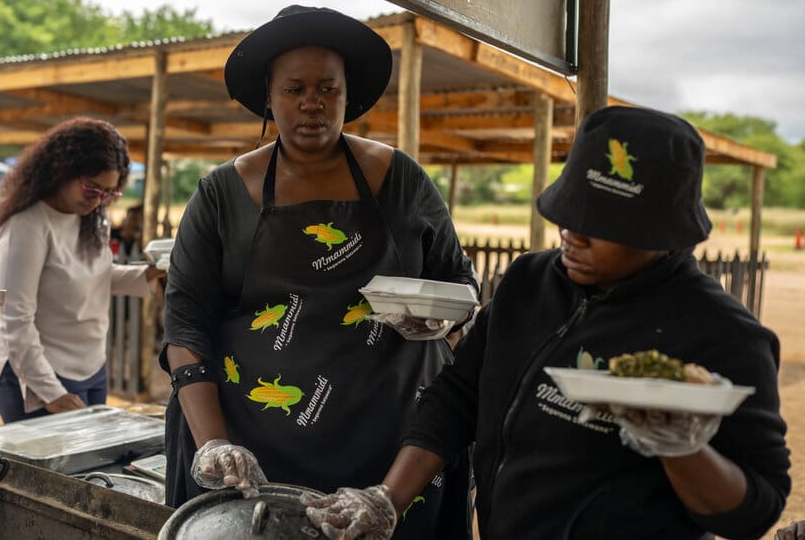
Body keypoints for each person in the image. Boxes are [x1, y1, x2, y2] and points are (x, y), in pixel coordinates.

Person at [303, 106, 791, 539]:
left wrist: (682, 448)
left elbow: (753, 513)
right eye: (569, 212)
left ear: (663, 232)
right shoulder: (528, 284)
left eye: (598, 225)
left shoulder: (724, 336)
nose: (570, 235)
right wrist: (388, 497)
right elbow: (455, 398)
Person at [160, 5, 479, 539]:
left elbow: (462, 284)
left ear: (347, 93)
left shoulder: (402, 179)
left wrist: (444, 321)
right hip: (252, 445)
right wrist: (214, 443)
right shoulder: (221, 192)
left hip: (391, 443)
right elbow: (185, 320)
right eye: (294, 89)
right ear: (268, 95)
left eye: (327, 88)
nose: (312, 103)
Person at [0, 118, 166, 423]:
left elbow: (93, 277)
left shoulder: (93, 217)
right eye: (91, 188)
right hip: (33, 372)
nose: (98, 200)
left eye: (109, 193)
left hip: (90, 367)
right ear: (62, 168)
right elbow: (15, 319)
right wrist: (50, 392)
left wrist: (148, 273)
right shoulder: (27, 226)